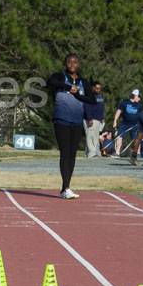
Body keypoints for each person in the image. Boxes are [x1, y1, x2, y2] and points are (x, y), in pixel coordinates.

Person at [46, 54, 96, 199]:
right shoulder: (60, 76)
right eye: (69, 62)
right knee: (65, 152)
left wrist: (78, 95)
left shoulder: (83, 81)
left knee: (72, 154)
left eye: (75, 62)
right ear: (66, 63)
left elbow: (92, 99)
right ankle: (66, 187)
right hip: (61, 120)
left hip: (76, 121)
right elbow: (50, 81)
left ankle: (65, 188)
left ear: (78, 64)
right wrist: (68, 87)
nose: (72, 64)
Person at [112, 89, 142, 158]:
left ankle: (137, 153)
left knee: (137, 139)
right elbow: (118, 111)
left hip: (135, 125)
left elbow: (141, 116)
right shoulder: (124, 103)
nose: (140, 98)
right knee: (119, 137)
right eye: (139, 96)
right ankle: (117, 153)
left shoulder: (140, 105)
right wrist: (115, 121)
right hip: (124, 124)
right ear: (135, 96)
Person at [83, 80, 106, 158]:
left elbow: (101, 107)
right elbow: (87, 107)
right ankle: (92, 153)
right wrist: (89, 118)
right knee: (90, 136)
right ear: (93, 88)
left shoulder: (100, 96)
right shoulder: (89, 96)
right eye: (97, 88)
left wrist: (102, 117)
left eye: (100, 88)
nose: (98, 90)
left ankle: (94, 151)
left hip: (98, 119)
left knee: (95, 136)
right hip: (91, 119)